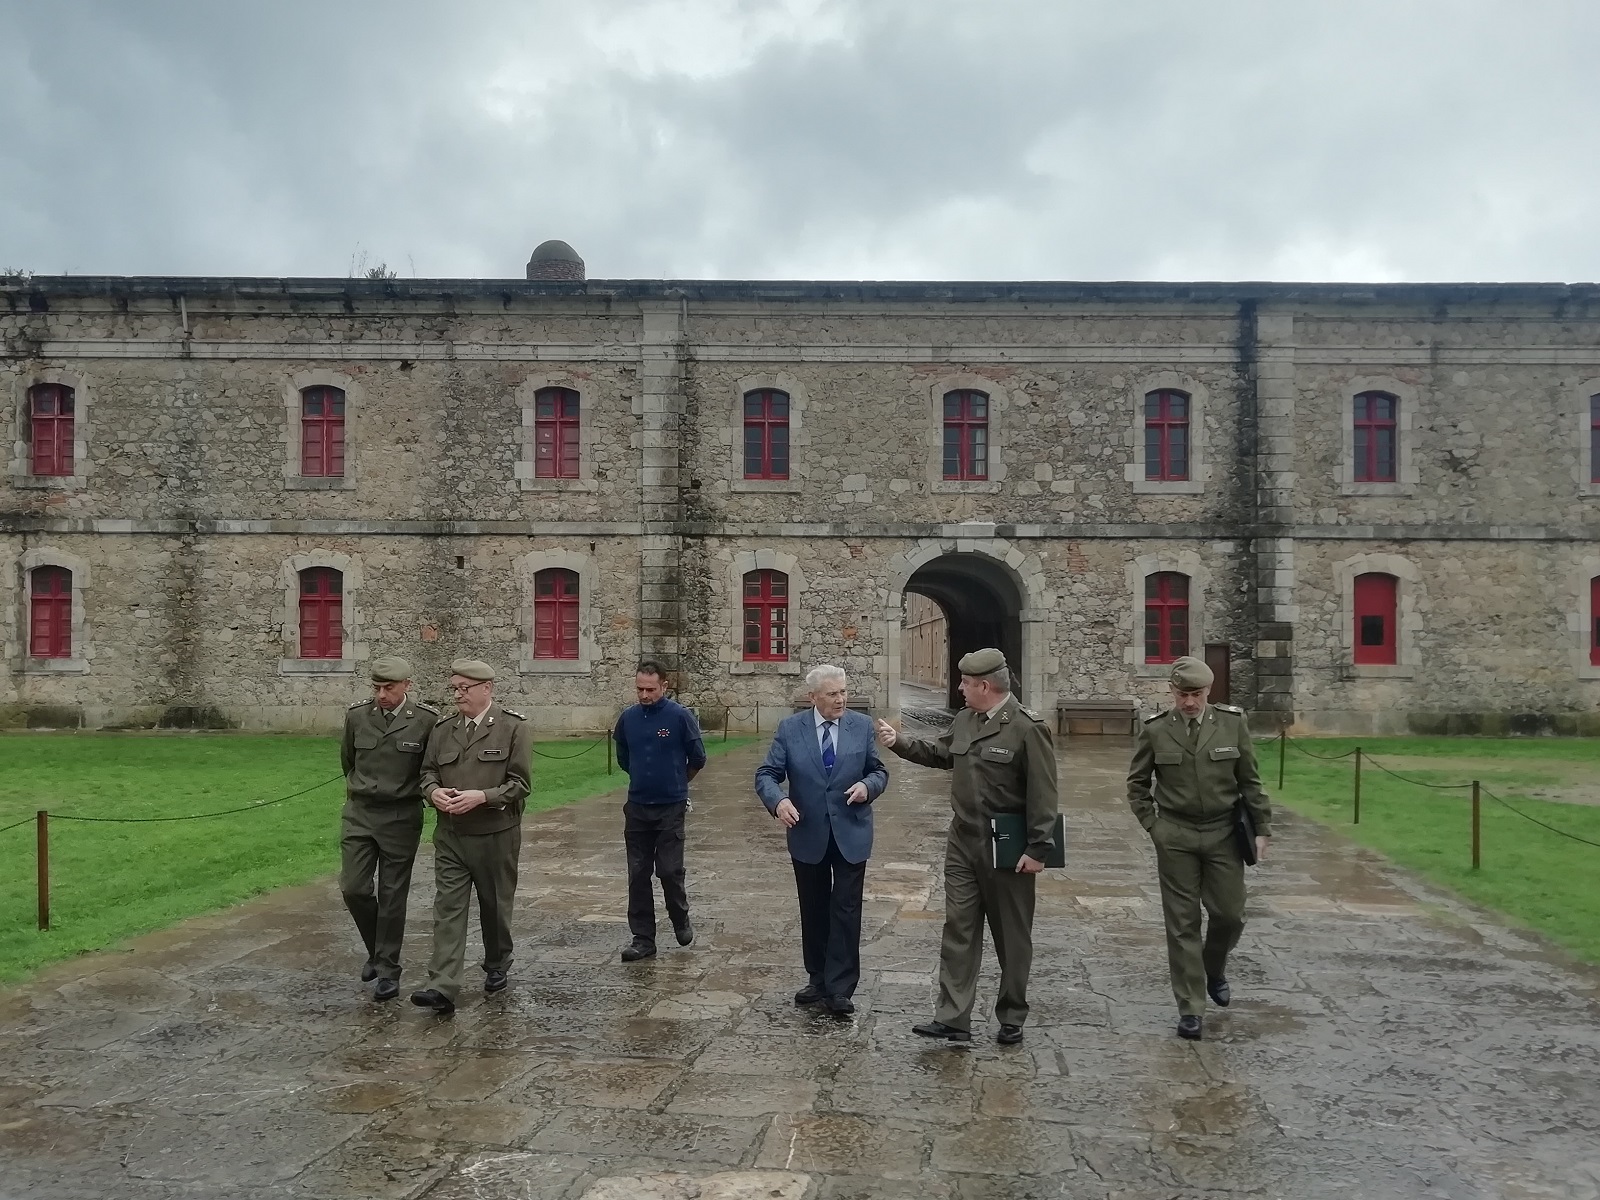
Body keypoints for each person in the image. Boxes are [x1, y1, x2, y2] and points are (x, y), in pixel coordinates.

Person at [876, 648, 1057, 1045]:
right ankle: (953, 1017)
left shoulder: (1027, 728)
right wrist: (898, 742)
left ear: (985, 686)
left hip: (1007, 844)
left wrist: (1038, 848)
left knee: (1011, 933)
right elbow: (942, 755)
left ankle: (1012, 1015)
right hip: (963, 840)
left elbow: (1044, 794)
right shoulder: (964, 720)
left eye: (965, 683)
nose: (959, 688)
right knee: (959, 926)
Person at [1126, 655, 1272, 1041]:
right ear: (1172, 691)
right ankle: (1190, 1007)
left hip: (1223, 832)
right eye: (1183, 694)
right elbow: (1137, 785)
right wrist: (1153, 826)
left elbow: (1250, 781)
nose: (1189, 702)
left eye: (1197, 694)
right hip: (1175, 835)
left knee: (1229, 914)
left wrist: (1262, 827)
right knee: (1182, 923)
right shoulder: (1157, 730)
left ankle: (1214, 967)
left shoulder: (1231, 723)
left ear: (1209, 691)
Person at [755, 665, 888, 1017]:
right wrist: (778, 801)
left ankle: (841, 987)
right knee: (813, 908)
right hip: (808, 831)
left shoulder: (860, 727)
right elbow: (767, 774)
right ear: (812, 697)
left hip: (851, 831)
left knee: (845, 909)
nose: (841, 699)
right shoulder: (790, 729)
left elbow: (878, 771)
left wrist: (867, 786)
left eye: (843, 691)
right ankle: (817, 978)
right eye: (832, 694)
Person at [409, 659, 532, 1014]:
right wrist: (432, 793)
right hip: (451, 835)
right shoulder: (443, 729)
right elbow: (427, 772)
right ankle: (442, 985)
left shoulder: (512, 728)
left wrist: (482, 796)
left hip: (496, 835)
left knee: (494, 907)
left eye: (465, 688)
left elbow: (521, 785)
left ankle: (497, 962)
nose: (459, 695)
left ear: (487, 689)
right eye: (455, 688)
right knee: (447, 908)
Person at [338, 656, 438, 1002]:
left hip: (401, 816)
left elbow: (429, 769)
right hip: (360, 813)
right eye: (376, 688)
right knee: (353, 888)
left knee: (394, 895)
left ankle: (388, 971)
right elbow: (348, 761)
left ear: (407, 686)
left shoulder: (425, 721)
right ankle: (376, 950)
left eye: (389, 688)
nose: (381, 695)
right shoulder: (356, 716)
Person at [612, 660, 707, 962]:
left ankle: (680, 917)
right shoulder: (628, 719)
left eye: (650, 689)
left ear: (664, 686)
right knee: (637, 874)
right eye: (639, 688)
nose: (644, 694)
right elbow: (623, 757)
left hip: (670, 806)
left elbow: (698, 757)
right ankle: (643, 938)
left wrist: (677, 782)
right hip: (638, 805)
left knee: (668, 870)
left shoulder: (679, 717)